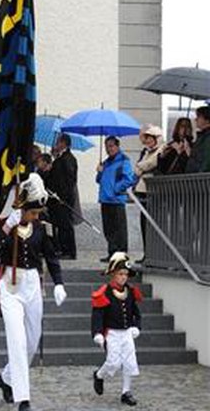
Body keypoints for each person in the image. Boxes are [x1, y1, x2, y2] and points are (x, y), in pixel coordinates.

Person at [0, 173, 67, 411]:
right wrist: (8, 225)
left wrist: (59, 283)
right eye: (33, 213)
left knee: (32, 341)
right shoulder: (5, 223)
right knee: (17, 341)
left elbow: (50, 256)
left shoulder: (40, 228)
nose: (36, 217)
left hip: (32, 283)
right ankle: (23, 398)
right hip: (10, 285)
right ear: (22, 209)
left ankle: (6, 378)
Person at [91, 252, 142, 407]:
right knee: (113, 362)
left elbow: (136, 313)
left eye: (126, 274)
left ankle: (126, 392)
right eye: (120, 274)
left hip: (126, 332)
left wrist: (136, 327)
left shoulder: (131, 292)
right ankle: (99, 375)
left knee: (129, 362)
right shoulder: (105, 292)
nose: (123, 277)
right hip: (111, 333)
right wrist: (98, 333)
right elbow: (97, 315)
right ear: (113, 274)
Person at [96, 137, 135, 263]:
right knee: (109, 229)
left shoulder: (124, 160)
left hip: (116, 200)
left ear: (117, 146)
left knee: (119, 230)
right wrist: (99, 172)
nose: (109, 149)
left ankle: (121, 255)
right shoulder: (106, 162)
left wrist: (116, 189)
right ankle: (112, 253)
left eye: (111, 146)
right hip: (105, 200)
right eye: (107, 146)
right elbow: (99, 180)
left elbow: (129, 179)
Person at [134, 125, 164, 263]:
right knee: (144, 224)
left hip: (154, 192)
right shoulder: (146, 151)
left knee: (152, 224)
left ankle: (154, 254)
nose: (147, 141)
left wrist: (142, 166)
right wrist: (142, 166)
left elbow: (151, 164)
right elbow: (138, 168)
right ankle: (146, 254)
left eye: (150, 139)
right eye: (146, 139)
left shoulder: (161, 150)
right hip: (142, 191)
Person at [46, 134, 78, 259]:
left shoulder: (68, 158)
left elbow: (69, 180)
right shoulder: (60, 158)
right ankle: (61, 248)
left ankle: (69, 251)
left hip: (63, 198)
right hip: (56, 197)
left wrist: (63, 197)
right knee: (59, 224)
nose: (56, 145)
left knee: (65, 225)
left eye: (58, 142)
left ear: (64, 143)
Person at [186, 105, 210, 173]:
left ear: (207, 120)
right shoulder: (202, 136)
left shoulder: (207, 138)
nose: (196, 119)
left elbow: (207, 162)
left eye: (199, 117)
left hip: (200, 180)